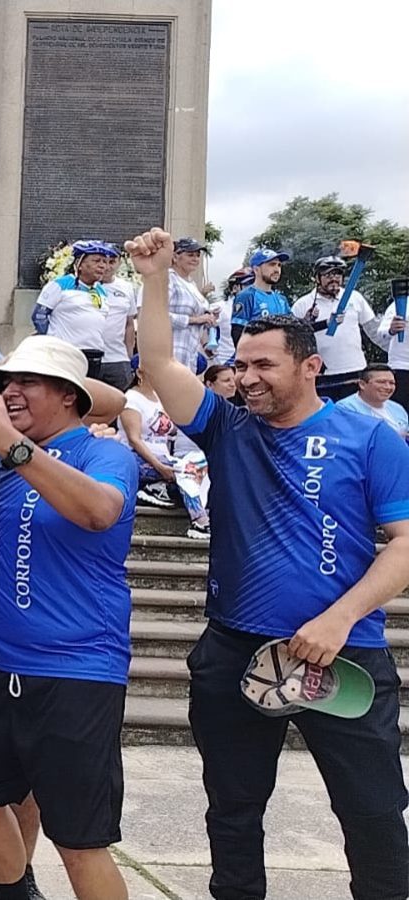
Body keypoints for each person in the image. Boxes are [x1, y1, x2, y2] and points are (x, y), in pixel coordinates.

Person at [130, 226, 409, 900]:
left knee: (373, 813)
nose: (246, 378)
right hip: (235, 651)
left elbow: (405, 541)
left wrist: (339, 619)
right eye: (241, 365)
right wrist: (153, 276)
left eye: (264, 366)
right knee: (233, 810)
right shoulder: (227, 427)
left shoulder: (368, 437)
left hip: (343, 654)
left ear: (310, 367)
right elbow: (159, 364)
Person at [0, 334, 138, 900]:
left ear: (69, 397)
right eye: (5, 382)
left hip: (77, 673)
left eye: (27, 381)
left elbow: (99, 511)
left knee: (79, 839)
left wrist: (14, 448)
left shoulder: (104, 452)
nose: (8, 392)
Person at [123, 364, 211, 539]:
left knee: (201, 464)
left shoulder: (159, 398)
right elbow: (134, 439)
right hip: (137, 458)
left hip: (164, 457)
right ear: (140, 373)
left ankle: (158, 488)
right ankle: (199, 519)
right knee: (186, 471)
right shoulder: (131, 398)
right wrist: (159, 466)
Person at [32, 240, 123, 388]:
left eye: (105, 262)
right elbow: (39, 315)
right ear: (80, 264)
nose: (103, 266)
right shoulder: (60, 284)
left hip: (94, 355)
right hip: (67, 354)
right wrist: (52, 341)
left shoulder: (101, 290)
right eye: (96, 261)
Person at [292, 255, 382, 402]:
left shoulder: (355, 298)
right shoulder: (303, 304)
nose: (334, 279)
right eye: (328, 275)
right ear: (317, 278)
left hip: (356, 369)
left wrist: (391, 340)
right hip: (323, 374)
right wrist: (307, 322)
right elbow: (292, 339)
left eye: (338, 274)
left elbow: (373, 330)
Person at [162, 237, 220, 369]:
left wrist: (208, 316)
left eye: (198, 255)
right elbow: (158, 316)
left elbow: (199, 318)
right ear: (175, 257)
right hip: (170, 351)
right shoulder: (168, 279)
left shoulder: (191, 284)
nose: (195, 259)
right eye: (190, 255)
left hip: (190, 354)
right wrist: (196, 319)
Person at [230, 248, 291, 342]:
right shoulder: (246, 296)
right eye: (272, 264)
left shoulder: (282, 299)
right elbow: (237, 333)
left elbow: (292, 329)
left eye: (279, 265)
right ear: (256, 269)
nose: (277, 269)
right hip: (256, 355)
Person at [97, 249, 138, 390]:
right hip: (90, 358)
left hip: (117, 358)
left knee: (125, 401)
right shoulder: (83, 286)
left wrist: (129, 355)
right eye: (102, 261)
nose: (107, 267)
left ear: (119, 263)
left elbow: (129, 324)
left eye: (112, 262)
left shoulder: (126, 288)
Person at [337, 364, 409, 439]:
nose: (388, 387)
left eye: (392, 383)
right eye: (381, 382)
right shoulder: (344, 408)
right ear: (362, 384)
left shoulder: (398, 409)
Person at [372, 294, 409, 408]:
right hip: (402, 367)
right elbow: (380, 334)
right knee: (400, 413)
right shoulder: (400, 304)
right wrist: (391, 330)